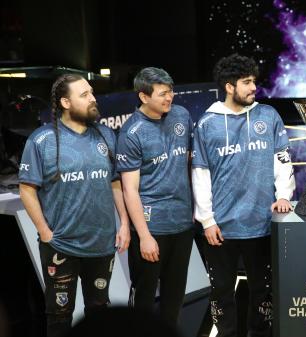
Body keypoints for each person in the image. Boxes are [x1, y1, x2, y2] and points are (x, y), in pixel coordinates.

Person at [19, 74, 130, 337]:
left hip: (102, 245)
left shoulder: (105, 135)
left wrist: (124, 223)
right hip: (61, 245)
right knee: (59, 318)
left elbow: (115, 182)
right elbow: (26, 190)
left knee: (99, 314)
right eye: (84, 95)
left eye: (92, 93)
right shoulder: (41, 140)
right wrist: (45, 232)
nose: (93, 98)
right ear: (66, 102)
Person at [191, 54, 295, 337]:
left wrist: (284, 195)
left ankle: (259, 332)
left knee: (263, 288)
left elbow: (282, 158)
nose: (253, 88)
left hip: (261, 222)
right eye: (246, 82)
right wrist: (208, 220)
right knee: (222, 290)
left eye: (254, 81)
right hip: (222, 227)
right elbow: (200, 175)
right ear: (229, 86)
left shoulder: (268, 115)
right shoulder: (208, 123)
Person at [116, 67, 193, 325]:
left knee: (174, 299)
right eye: (162, 94)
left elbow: (191, 162)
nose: (169, 98)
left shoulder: (181, 116)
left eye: (171, 92)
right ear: (143, 96)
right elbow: (130, 190)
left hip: (182, 226)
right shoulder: (131, 132)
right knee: (144, 303)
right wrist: (145, 236)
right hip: (152, 229)